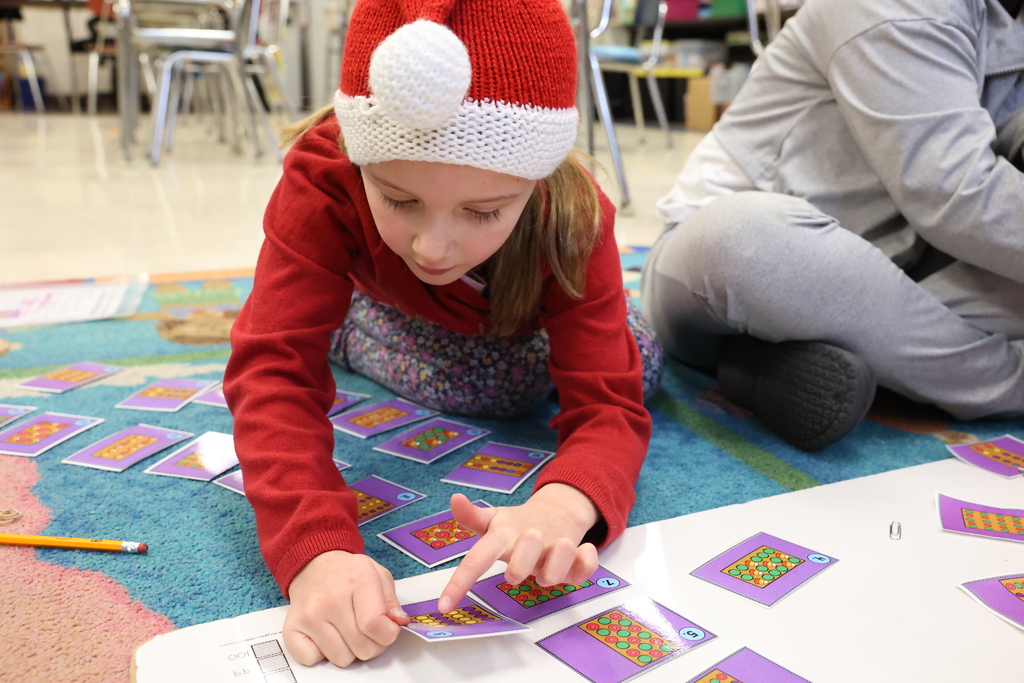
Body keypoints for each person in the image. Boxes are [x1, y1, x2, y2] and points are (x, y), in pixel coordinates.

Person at [223, 0, 663, 669]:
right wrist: (317, 548)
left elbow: (609, 407)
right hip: (397, 311)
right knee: (321, 324)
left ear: (536, 182)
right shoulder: (323, 175)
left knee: (639, 359)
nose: (432, 245)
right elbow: (270, 368)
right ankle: (360, 318)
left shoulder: (574, 218)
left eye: (483, 211)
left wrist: (562, 504)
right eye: (399, 200)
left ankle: (362, 321)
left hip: (508, 331)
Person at [642, 0, 1024, 451]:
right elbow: (957, 194)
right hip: (731, 274)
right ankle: (1004, 381)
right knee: (748, 242)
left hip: (901, 278)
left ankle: (777, 365)